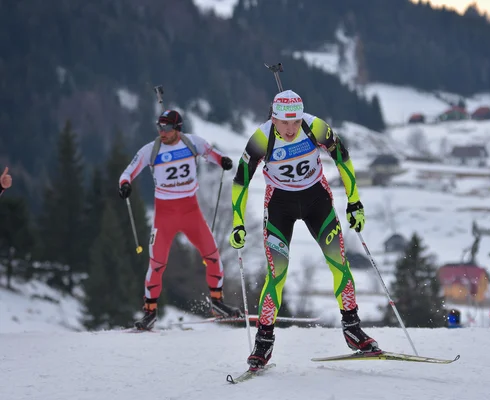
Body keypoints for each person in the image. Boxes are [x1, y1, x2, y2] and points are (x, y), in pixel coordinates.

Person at [229, 89, 378, 369]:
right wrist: (237, 221)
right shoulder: (262, 138)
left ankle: (352, 328)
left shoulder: (316, 127)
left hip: (316, 201)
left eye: (295, 122)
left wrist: (354, 200)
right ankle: (264, 342)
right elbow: (241, 181)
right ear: (273, 119)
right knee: (277, 275)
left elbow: (342, 158)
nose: (290, 128)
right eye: (284, 122)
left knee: (339, 264)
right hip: (279, 207)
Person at [119, 109, 241, 330]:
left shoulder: (193, 143)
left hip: (190, 211)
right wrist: (125, 185)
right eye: (159, 127)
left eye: (166, 128)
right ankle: (149, 312)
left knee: (212, 255)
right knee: (156, 265)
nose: (161, 132)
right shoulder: (151, 150)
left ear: (177, 128)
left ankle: (217, 303)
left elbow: (213, 154)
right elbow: (127, 172)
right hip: (165, 215)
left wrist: (223, 161)